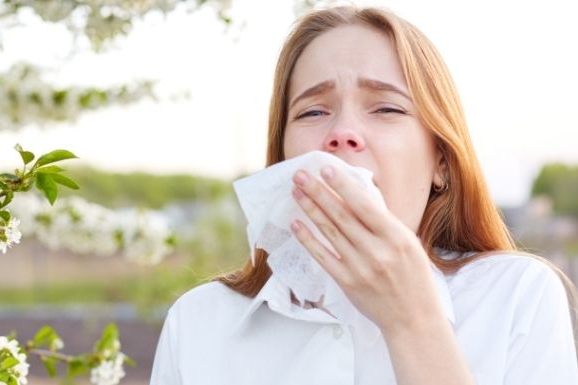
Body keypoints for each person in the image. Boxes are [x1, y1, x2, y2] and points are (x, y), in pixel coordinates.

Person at [149, 5, 578, 385]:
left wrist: (412, 322)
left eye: (386, 108)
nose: (342, 134)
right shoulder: (197, 322)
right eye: (313, 111)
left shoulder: (519, 297)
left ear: (441, 163)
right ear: (282, 158)